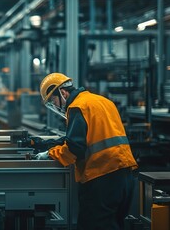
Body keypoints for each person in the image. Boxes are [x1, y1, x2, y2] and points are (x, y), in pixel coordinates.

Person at [30, 73, 138, 230]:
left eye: (53, 100)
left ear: (63, 92)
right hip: (125, 174)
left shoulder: (77, 107)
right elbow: (91, 137)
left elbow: (75, 149)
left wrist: (49, 154)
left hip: (101, 177)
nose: (56, 105)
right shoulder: (102, 101)